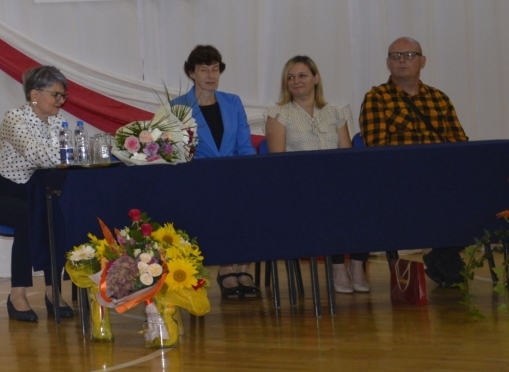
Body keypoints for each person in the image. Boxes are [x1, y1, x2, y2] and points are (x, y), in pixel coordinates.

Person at [359, 37, 468, 287]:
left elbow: (459, 144)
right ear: (388, 63)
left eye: (409, 55)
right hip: (400, 178)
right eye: (395, 56)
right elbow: (377, 149)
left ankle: (443, 255)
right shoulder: (377, 98)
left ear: (423, 61)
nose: (402, 61)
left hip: (440, 176)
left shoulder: (439, 98)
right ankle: (446, 258)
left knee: (478, 192)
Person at [0, 65, 74, 322]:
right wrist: (68, 155)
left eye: (63, 95)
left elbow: (65, 159)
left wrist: (68, 156)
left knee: (56, 212)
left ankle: (53, 291)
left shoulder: (58, 122)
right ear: (35, 95)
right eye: (56, 95)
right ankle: (17, 294)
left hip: (35, 192)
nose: (61, 100)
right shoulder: (15, 119)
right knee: (30, 214)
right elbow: (38, 155)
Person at [264, 56, 365, 292]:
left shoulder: (335, 114)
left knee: (362, 197)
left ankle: (358, 264)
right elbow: (277, 165)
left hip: (334, 182)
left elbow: (346, 158)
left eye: (302, 75)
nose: (296, 81)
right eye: (290, 77)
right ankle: (337, 266)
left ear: (316, 78)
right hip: (298, 187)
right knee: (330, 201)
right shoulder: (278, 115)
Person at [171, 45, 259, 298]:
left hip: (234, 174)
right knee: (215, 204)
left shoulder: (233, 102)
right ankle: (225, 268)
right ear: (191, 73)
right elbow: (176, 152)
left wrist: (249, 175)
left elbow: (244, 145)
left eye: (215, 69)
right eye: (204, 69)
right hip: (198, 179)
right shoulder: (178, 107)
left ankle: (243, 266)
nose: (211, 75)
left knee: (249, 200)